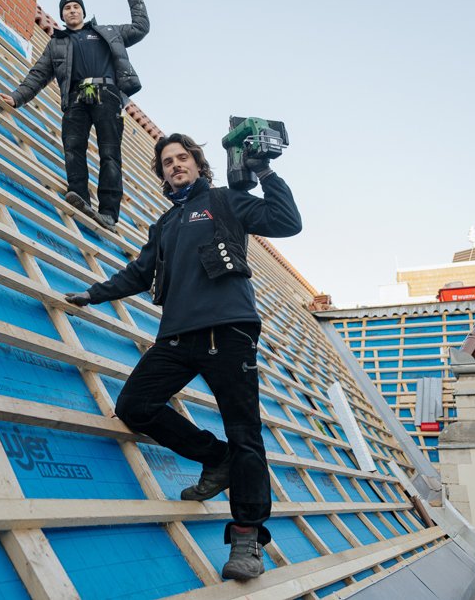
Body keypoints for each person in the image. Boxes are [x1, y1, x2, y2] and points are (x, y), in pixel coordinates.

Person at [64, 134, 302, 580]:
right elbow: (139, 272)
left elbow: (286, 221)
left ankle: (247, 537)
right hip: (176, 336)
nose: (175, 165)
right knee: (134, 405)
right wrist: (95, 294)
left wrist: (264, 171)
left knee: (245, 432)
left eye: (182, 158)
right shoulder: (166, 223)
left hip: (228, 332)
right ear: (162, 173)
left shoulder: (227, 200)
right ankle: (215, 457)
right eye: (167, 162)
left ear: (198, 163)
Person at [0, 0, 149, 231]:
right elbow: (38, 74)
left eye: (76, 7)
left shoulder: (107, 32)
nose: (72, 11)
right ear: (62, 16)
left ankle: (109, 213)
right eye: (67, 8)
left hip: (107, 94)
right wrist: (18, 97)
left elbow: (140, 28)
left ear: (82, 11)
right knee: (73, 147)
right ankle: (79, 194)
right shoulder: (57, 44)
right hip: (76, 98)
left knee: (109, 154)